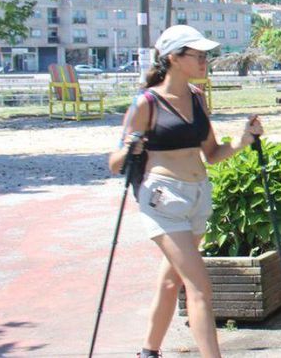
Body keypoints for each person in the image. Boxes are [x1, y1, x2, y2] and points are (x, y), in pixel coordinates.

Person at [107, 25, 264, 358]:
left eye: (206, 54)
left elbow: (211, 154)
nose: (205, 60)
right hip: (163, 199)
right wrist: (132, 147)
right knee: (200, 288)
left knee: (171, 281)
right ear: (174, 58)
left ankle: (149, 351)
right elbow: (114, 163)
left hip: (197, 196)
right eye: (198, 55)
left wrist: (244, 139)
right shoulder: (146, 103)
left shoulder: (196, 97)